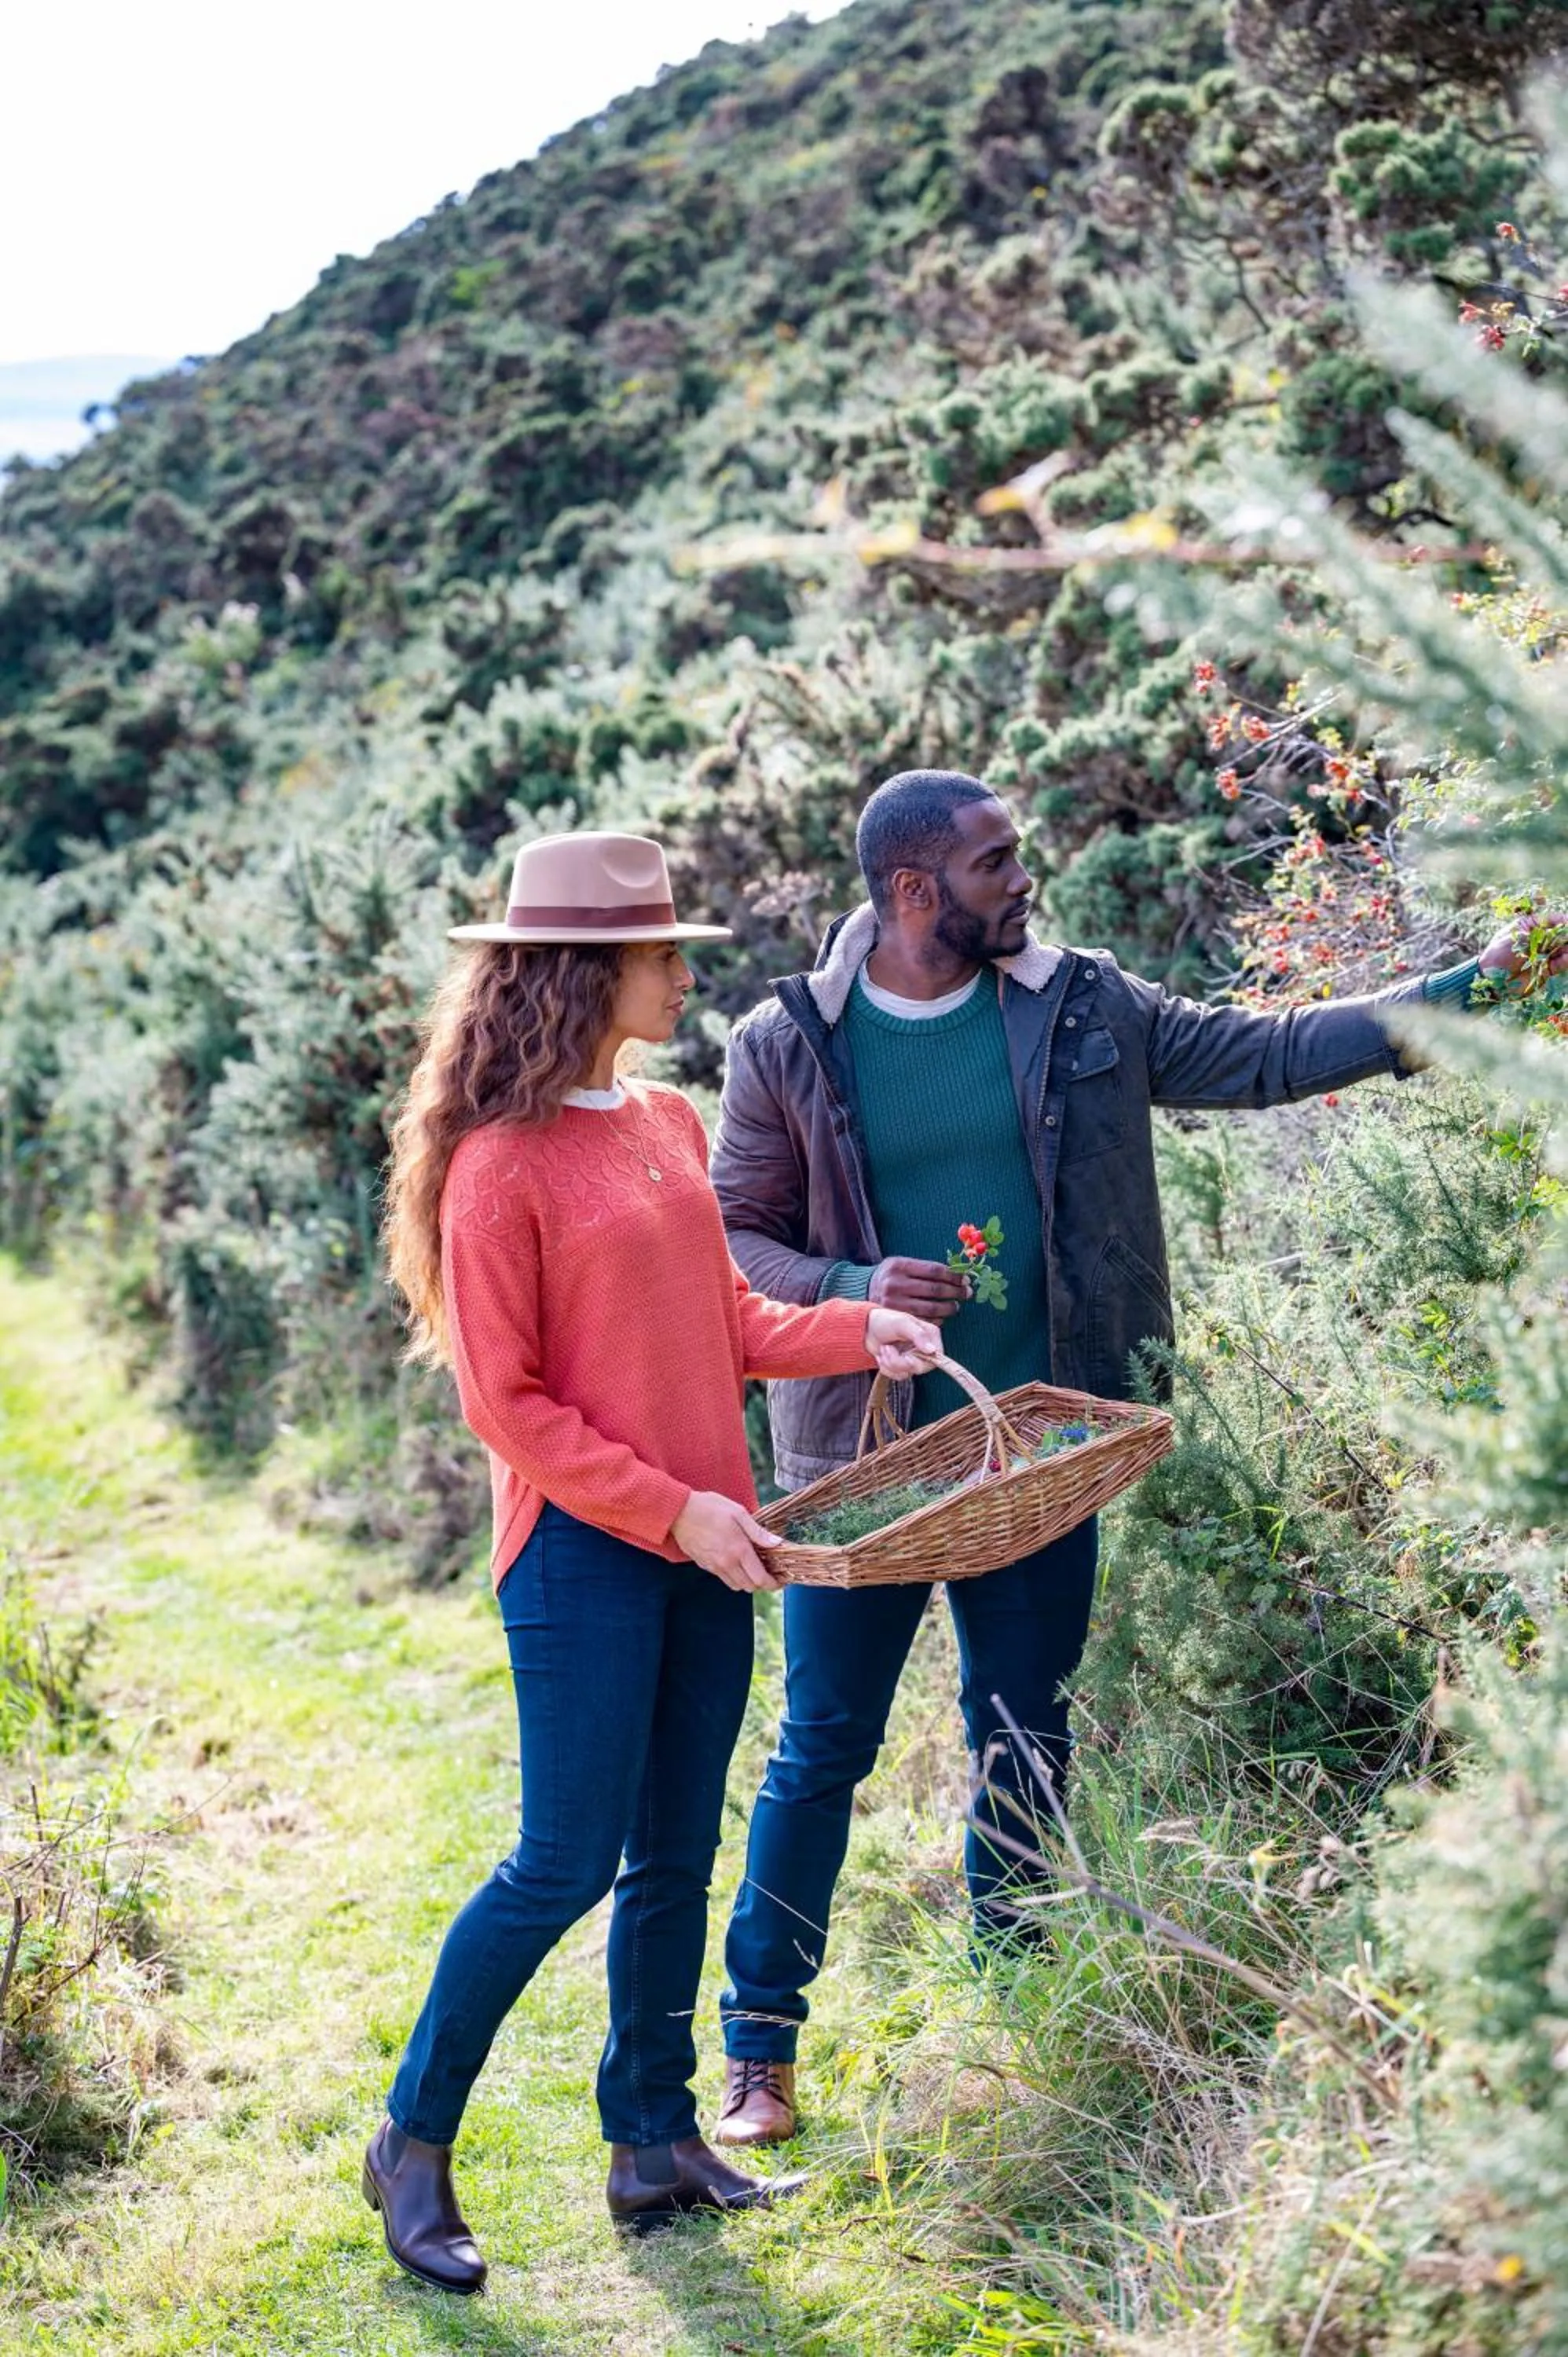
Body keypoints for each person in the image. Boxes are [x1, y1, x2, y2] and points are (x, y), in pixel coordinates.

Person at [707, 767, 1566, 2147]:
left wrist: (1469, 992)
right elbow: (732, 1237)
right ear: (915, 890)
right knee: (822, 1748)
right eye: (994, 864)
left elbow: (1267, 1053)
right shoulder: (787, 1040)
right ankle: (758, 2056)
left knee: (1024, 1735)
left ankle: (1016, 2021)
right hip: (861, 1468)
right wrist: (857, 1284)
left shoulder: (1081, 1000)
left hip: (1042, 1447)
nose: (1022, 878)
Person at [365, 829, 940, 2291]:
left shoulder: (665, 1121)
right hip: (583, 1553)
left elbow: (727, 1325)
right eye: (664, 952)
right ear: (586, 970)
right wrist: (669, 1509)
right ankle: (413, 2140)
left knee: (677, 1850)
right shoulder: (498, 1166)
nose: (688, 971)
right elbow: (510, 1404)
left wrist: (855, 1324)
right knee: (561, 1863)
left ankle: (652, 2140)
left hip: (709, 1539)